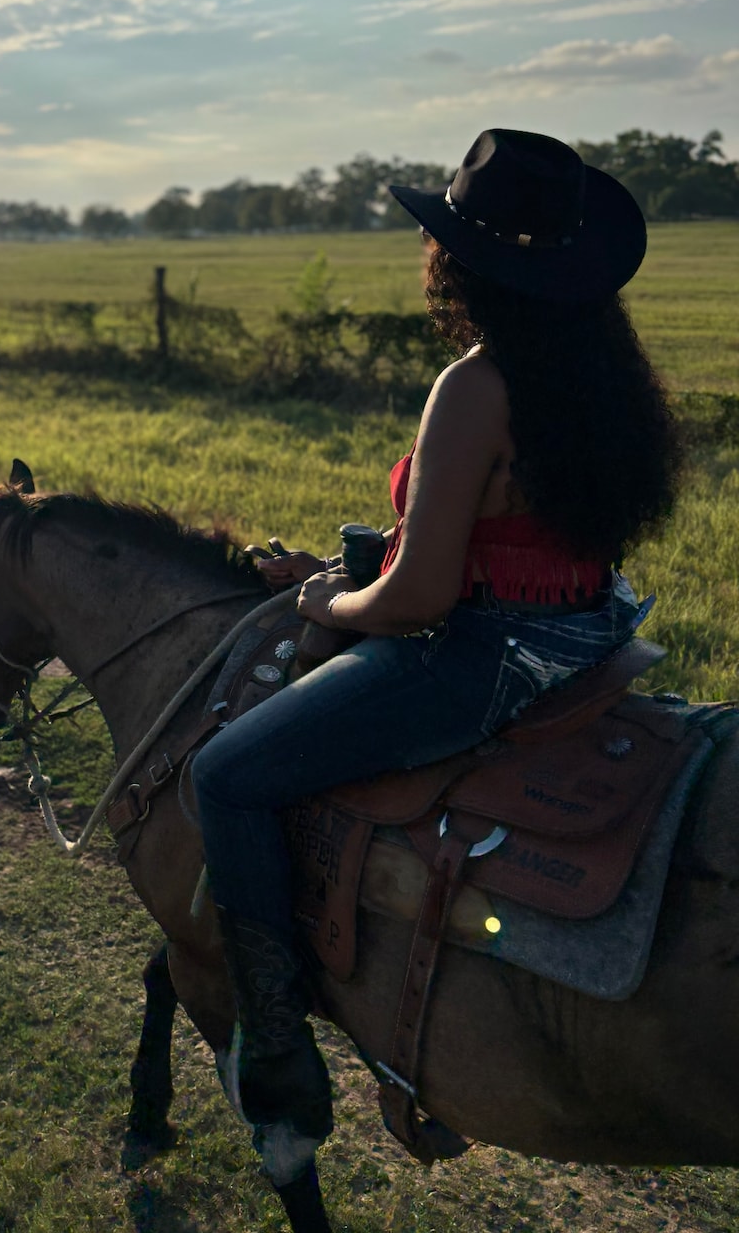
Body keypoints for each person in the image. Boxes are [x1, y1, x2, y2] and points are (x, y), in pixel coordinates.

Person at [191, 127, 682, 1158]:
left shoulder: (478, 384)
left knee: (226, 775)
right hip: (590, 637)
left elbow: (419, 598)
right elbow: (508, 539)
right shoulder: (597, 370)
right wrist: (371, 569)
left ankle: (274, 1038)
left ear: (457, 261)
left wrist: (330, 602)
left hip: (482, 659)